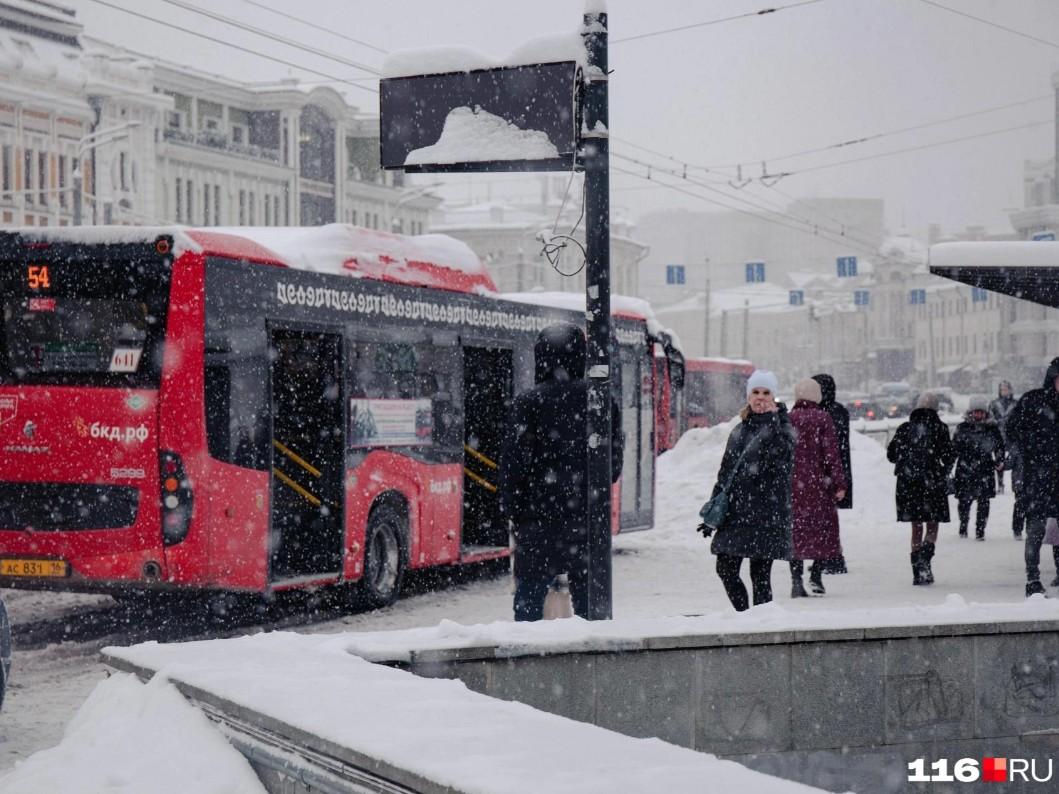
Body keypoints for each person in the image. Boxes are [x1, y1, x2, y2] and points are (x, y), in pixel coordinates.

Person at [499, 322, 623, 621]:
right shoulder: (600, 401)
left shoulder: (527, 403)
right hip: (587, 521)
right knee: (591, 607)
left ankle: (526, 660)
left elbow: (513, 466)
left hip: (536, 523)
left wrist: (517, 510)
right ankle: (592, 661)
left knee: (529, 602)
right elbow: (613, 468)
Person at [708, 370, 795, 611]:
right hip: (737, 513)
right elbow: (725, 473)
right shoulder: (739, 429)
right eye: (755, 392)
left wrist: (777, 422)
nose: (760, 397)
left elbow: (783, 463)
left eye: (766, 393)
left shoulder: (782, 428)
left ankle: (759, 624)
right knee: (725, 569)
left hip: (766, 513)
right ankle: (744, 616)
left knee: (760, 574)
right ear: (748, 396)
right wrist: (713, 511)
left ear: (774, 397)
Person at [1004, 358, 1059, 597]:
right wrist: (1029, 450)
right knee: (1036, 529)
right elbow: (1012, 429)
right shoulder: (1033, 401)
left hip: (1049, 474)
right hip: (1038, 476)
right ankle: (1033, 578)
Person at [887, 392, 955, 586]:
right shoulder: (940, 428)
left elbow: (891, 455)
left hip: (908, 484)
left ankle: (917, 570)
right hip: (932, 482)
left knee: (916, 526)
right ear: (936, 408)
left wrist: (907, 460)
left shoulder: (905, 428)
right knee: (932, 524)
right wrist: (941, 468)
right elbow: (949, 456)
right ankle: (926, 561)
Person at [788, 378, 847, 598]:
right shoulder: (823, 418)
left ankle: (796, 580)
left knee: (796, 534)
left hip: (793, 488)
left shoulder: (788, 419)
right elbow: (832, 453)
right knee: (823, 532)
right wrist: (839, 483)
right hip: (820, 486)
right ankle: (817, 576)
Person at [812, 373, 853, 574]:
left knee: (823, 519)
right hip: (836, 470)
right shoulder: (839, 411)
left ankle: (832, 557)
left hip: (822, 472)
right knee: (828, 517)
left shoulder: (821, 414)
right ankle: (832, 556)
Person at [952, 396, 1005, 540]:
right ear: (970, 412)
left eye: (981, 412)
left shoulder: (991, 429)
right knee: (964, 501)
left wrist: (999, 460)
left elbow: (999, 446)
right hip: (965, 468)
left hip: (985, 469)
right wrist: (949, 465)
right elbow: (954, 449)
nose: (978, 415)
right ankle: (963, 526)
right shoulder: (962, 428)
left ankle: (980, 530)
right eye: (976, 412)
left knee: (984, 501)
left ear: (986, 413)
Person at [989, 381, 1017, 494]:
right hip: (998, 435)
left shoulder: (1016, 404)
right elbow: (990, 418)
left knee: (1015, 459)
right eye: (1002, 389)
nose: (1004, 391)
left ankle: (1016, 482)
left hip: (1012, 436)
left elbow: (1020, 418)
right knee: (999, 460)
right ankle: (1000, 484)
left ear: (1010, 390)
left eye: (1006, 389)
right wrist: (998, 422)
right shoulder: (994, 404)